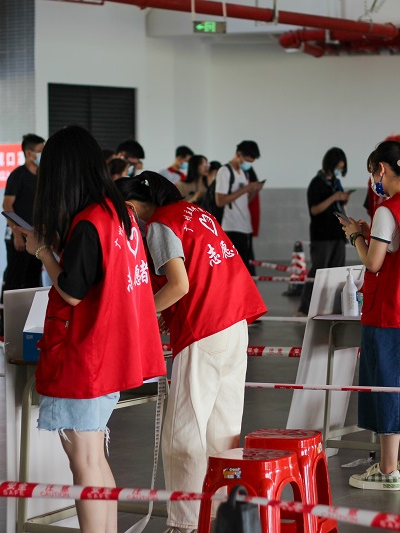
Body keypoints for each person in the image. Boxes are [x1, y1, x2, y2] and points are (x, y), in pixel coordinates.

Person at [19, 126, 166, 533]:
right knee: (95, 459)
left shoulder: (89, 222)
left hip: (86, 359)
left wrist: (42, 251)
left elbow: (71, 292)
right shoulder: (119, 214)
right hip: (111, 355)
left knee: (84, 462)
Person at [115, 172, 266, 533]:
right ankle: (218, 514)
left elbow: (179, 285)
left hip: (204, 330)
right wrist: (166, 311)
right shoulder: (196, 213)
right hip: (234, 325)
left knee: (183, 432)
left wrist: (139, 316)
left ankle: (184, 523)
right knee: (223, 431)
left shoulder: (160, 224)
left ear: (130, 206)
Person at [340, 140, 400, 491]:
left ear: (381, 169)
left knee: (388, 387)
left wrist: (355, 236)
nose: (372, 180)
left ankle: (387, 469)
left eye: (372, 172)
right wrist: (370, 234)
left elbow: (373, 262)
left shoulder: (388, 209)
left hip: (391, 313)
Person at [0, 133, 45, 337]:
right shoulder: (18, 175)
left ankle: (31, 328)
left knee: (33, 281)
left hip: (36, 237)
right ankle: (6, 327)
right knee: (14, 280)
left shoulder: (42, 176)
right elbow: (7, 205)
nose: (42, 155)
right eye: (40, 151)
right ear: (29, 153)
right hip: (17, 238)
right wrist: (17, 233)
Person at [297, 147, 350, 316]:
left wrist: (343, 200)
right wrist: (334, 197)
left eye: (342, 168)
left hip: (338, 233)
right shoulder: (316, 183)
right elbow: (315, 210)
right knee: (318, 271)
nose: (339, 170)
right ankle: (305, 307)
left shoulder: (336, 182)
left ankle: (334, 307)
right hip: (322, 235)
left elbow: (339, 206)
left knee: (338, 271)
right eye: (338, 167)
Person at [215, 140, 264, 275]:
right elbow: (220, 201)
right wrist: (246, 189)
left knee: (248, 268)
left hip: (245, 226)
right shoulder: (225, 171)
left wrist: (254, 190)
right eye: (247, 161)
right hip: (232, 227)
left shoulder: (243, 173)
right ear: (239, 154)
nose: (248, 165)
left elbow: (244, 201)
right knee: (237, 269)